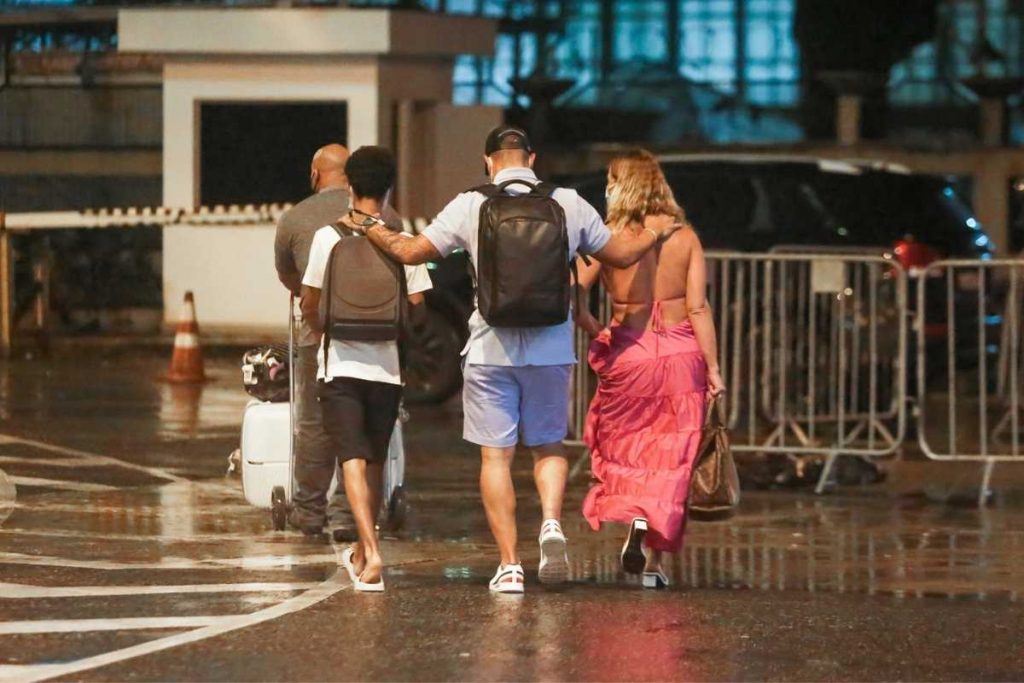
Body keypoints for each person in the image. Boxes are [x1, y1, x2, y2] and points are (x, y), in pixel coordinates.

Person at [350, 126, 683, 594]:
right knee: (548, 446)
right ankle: (549, 523)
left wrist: (366, 224)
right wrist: (655, 230)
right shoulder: (567, 202)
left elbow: (411, 251)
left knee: (496, 456)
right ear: (531, 157)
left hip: (491, 348)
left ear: (489, 161)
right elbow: (622, 254)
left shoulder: (471, 203)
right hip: (550, 347)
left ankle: (509, 565)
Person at [573, 149, 726, 590]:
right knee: (671, 460)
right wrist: (713, 368)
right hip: (681, 355)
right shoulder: (687, 237)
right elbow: (698, 307)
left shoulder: (610, 237)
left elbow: (572, 289)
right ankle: (655, 565)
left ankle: (634, 518)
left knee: (630, 450)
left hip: (629, 353)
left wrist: (592, 327)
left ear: (623, 186)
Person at [300, 146, 431, 591]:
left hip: (340, 363)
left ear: (350, 187)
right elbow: (418, 305)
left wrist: (326, 330)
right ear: (389, 187)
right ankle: (363, 545)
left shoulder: (327, 237)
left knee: (350, 458)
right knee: (372, 459)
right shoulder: (400, 237)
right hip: (387, 368)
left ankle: (370, 553)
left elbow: (309, 301)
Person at [275, 143, 401, 542]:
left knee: (315, 426)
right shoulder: (390, 218)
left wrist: (321, 317)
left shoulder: (295, 219)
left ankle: (310, 511)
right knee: (365, 433)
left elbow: (289, 276)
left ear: (315, 175)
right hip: (382, 342)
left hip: (321, 339)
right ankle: (351, 515)